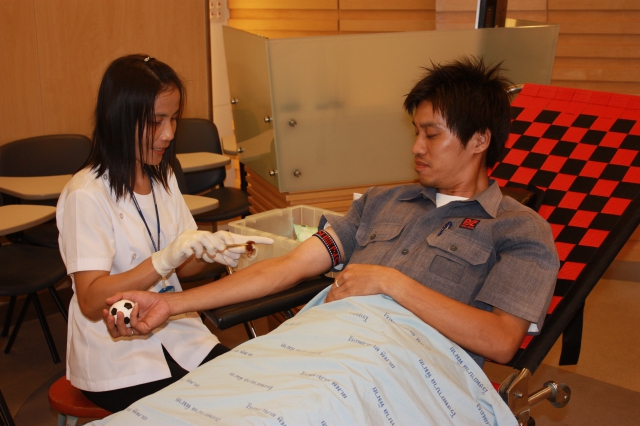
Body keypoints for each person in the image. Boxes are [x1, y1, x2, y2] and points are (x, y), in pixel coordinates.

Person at [105, 56, 559, 369]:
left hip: (401, 372)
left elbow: (502, 341)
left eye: (432, 135)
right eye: (416, 133)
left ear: (479, 140)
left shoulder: (519, 230)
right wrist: (170, 304)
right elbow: (288, 268)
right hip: (319, 350)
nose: (416, 148)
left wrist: (392, 283)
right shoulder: (382, 202)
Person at [56, 53, 272, 412]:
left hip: (180, 335)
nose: (169, 134)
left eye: (173, 119)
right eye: (156, 122)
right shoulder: (86, 195)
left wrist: (214, 251)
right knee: (214, 410)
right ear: (119, 118)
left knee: (252, 391)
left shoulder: (162, 176)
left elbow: (184, 268)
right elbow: (92, 301)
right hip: (120, 358)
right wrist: (163, 260)